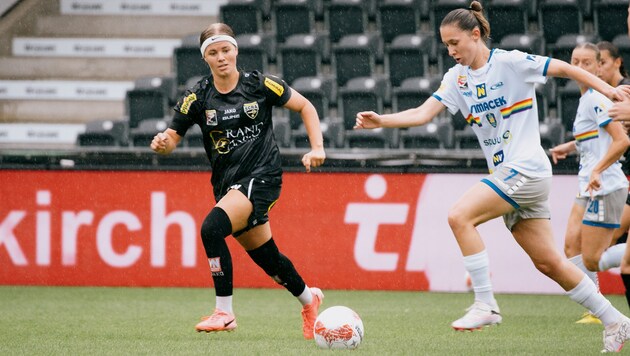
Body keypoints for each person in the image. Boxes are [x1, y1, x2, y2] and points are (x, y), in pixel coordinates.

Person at [354, 1, 630, 352]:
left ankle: (485, 303)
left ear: (476, 34)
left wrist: (609, 91)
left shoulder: (510, 62)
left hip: (527, 168)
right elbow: (425, 113)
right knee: (550, 263)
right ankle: (615, 321)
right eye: (445, 45)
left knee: (459, 216)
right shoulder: (457, 78)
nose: (451, 51)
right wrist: (383, 120)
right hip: (509, 174)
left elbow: (563, 68)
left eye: (456, 42)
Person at [150, 23, 326, 339]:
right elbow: (172, 137)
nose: (221, 57)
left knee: (211, 228)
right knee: (268, 258)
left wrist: (317, 148)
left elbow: (305, 106)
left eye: (226, 50)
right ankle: (309, 300)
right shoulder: (198, 96)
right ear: (205, 58)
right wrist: (164, 142)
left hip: (263, 177)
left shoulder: (260, 84)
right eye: (213, 52)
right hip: (228, 185)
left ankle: (225, 312)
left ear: (236, 50)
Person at [550, 43, 630, 325]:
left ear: (599, 68)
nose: (580, 68)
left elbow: (622, 141)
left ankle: (601, 309)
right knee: (571, 248)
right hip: (588, 185)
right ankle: (597, 309)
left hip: (605, 185)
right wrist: (569, 148)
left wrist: (598, 169)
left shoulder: (597, 99)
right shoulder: (586, 99)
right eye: (575, 62)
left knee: (593, 259)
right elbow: (595, 140)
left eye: (587, 63)